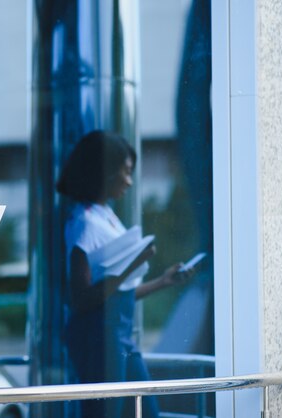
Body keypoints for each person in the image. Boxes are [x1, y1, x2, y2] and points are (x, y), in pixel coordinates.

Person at [56, 130, 195, 418]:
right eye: (126, 172)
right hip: (99, 336)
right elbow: (82, 299)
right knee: (108, 413)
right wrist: (132, 263)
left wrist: (163, 281)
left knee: (146, 410)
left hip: (117, 332)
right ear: (105, 173)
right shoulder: (83, 223)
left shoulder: (103, 214)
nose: (129, 182)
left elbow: (117, 294)